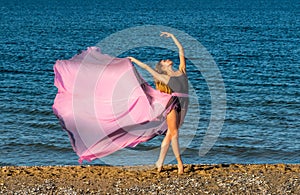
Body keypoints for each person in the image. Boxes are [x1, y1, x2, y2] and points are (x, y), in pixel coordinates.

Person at [128, 32, 188, 174]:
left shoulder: (181, 71)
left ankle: (159, 162)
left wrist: (173, 37)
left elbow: (181, 50)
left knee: (170, 134)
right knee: (174, 134)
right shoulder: (163, 76)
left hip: (185, 105)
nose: (167, 59)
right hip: (172, 103)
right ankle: (180, 163)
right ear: (161, 66)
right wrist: (134, 60)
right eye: (164, 60)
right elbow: (147, 68)